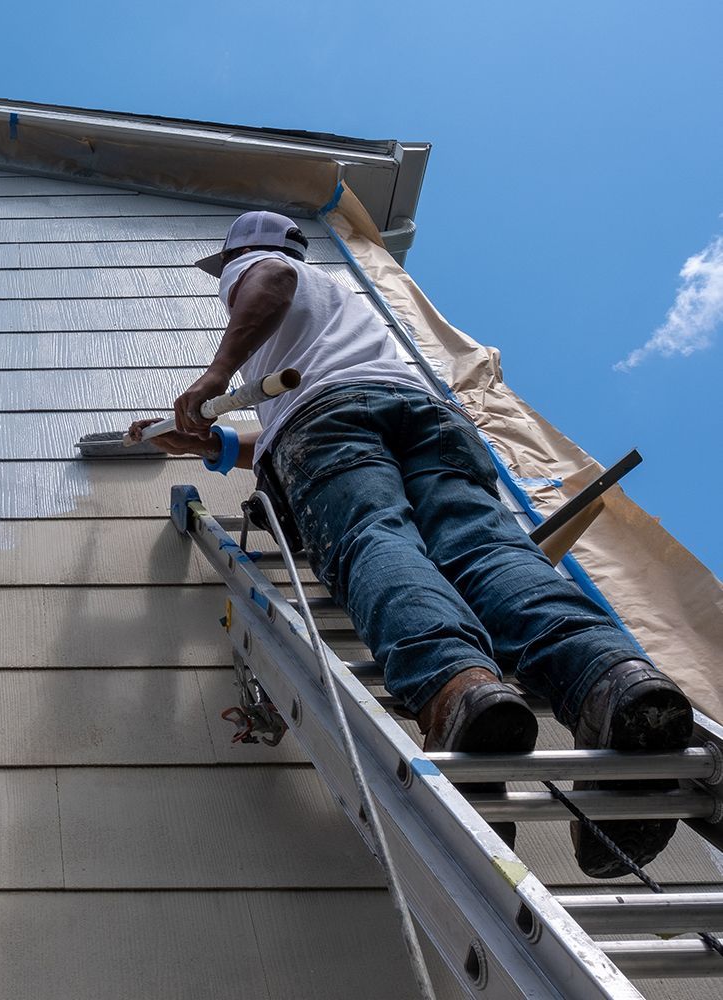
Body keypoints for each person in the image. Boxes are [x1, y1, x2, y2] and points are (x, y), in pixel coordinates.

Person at [134, 211, 694, 877]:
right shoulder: (339, 303)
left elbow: (274, 283)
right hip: (424, 417)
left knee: (374, 538)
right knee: (485, 550)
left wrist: (214, 375)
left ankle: (459, 692)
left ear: (239, 259)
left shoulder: (263, 274)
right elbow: (326, 394)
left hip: (335, 425)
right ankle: (609, 680)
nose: (230, 283)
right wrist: (219, 442)